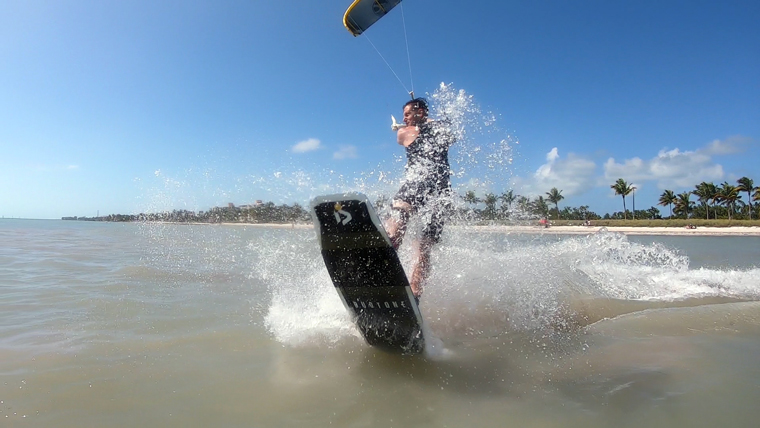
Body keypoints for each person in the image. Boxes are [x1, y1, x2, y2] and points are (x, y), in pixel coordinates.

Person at [385, 98, 455, 301]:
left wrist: (429, 123)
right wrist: (421, 124)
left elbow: (450, 137)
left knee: (423, 247)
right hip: (417, 182)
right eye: (404, 115)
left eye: (408, 114)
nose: (404, 118)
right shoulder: (403, 132)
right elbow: (405, 137)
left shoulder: (440, 129)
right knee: (400, 211)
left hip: (440, 192)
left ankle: (414, 295)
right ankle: (387, 249)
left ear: (421, 112)